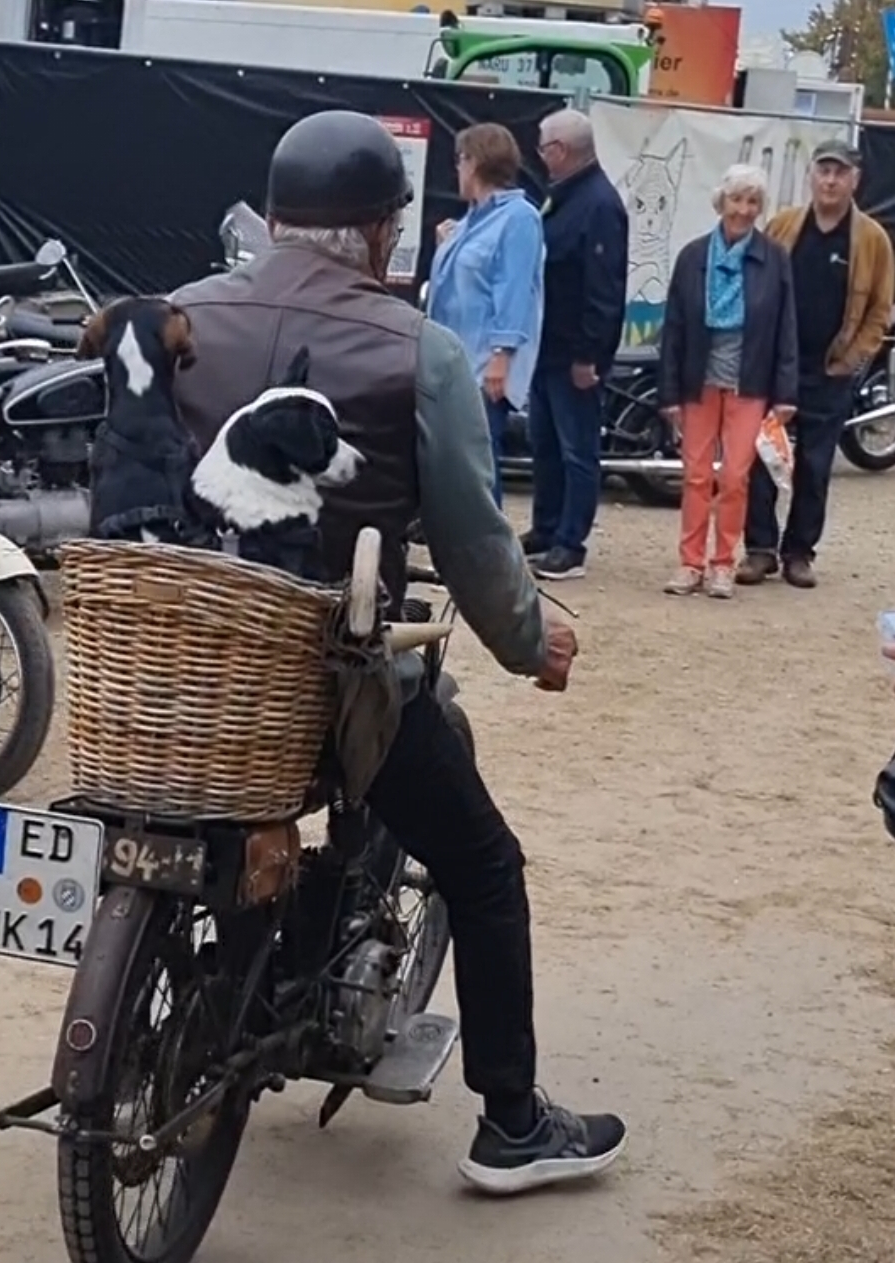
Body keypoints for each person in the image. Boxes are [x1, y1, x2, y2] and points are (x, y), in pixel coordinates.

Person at [169, 110, 626, 1192]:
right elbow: (471, 537)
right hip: (327, 682)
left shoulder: (181, 313)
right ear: (384, 230)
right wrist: (530, 642)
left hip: (183, 668)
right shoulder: (421, 352)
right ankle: (512, 1123)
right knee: (484, 865)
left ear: (272, 215)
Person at [738, 139, 895, 589]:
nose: (830, 181)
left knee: (815, 465)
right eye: (823, 171)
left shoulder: (872, 240)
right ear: (811, 176)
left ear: (855, 180)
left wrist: (854, 357)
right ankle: (760, 550)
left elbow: (880, 309)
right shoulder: (784, 226)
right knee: (761, 460)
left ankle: (799, 553)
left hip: (830, 371)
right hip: (776, 367)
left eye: (839, 173)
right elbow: (757, 285)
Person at [658, 165, 798, 599]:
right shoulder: (693, 256)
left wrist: (786, 392)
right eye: (736, 199)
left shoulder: (774, 258)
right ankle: (690, 563)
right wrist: (669, 392)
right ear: (721, 202)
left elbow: (786, 328)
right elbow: (674, 328)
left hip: (749, 382)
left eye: (752, 201)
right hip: (698, 380)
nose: (743, 209)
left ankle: (723, 563)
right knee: (696, 475)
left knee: (736, 477)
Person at [522, 107, 628, 581]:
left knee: (577, 452)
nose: (539, 156)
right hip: (546, 349)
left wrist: (590, 356)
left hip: (574, 357)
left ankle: (570, 543)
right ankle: (545, 528)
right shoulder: (562, 197)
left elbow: (604, 291)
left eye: (543, 147)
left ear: (560, 150)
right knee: (544, 446)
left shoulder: (599, 205)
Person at [427, 123, 544, 508]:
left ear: (475, 162)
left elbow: (513, 287)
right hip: (454, 360)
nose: (457, 169)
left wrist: (501, 354)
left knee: (478, 461)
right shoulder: (470, 220)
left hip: (483, 363)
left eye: (460, 160)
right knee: (456, 460)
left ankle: (488, 540)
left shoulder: (519, 218)